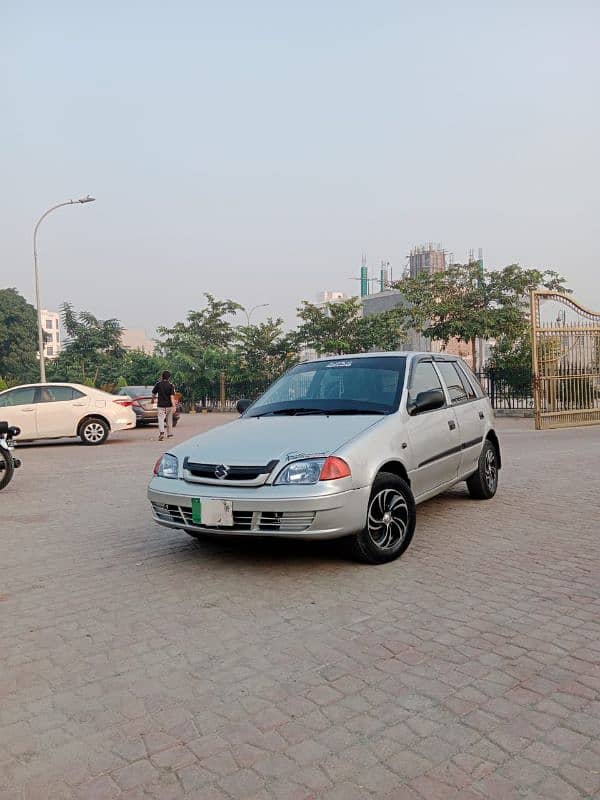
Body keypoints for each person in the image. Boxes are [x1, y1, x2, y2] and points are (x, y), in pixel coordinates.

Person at [152, 371, 177, 441]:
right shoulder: (171, 385)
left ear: (162, 376)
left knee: (161, 419)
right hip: (169, 406)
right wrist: (174, 406)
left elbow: (153, 393)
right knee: (169, 420)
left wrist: (152, 400)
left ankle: (162, 433)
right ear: (169, 378)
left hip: (161, 406)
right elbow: (172, 397)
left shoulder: (158, 384)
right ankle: (169, 434)